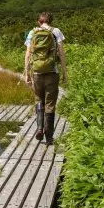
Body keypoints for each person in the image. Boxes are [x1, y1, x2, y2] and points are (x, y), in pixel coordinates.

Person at [24, 11, 68, 144]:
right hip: (52, 73)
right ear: (50, 21)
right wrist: (65, 73)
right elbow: (61, 54)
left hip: (37, 73)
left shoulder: (32, 33)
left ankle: (39, 128)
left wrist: (27, 74)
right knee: (50, 104)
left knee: (39, 100)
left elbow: (27, 55)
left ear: (39, 21)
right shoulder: (56, 31)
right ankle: (49, 137)